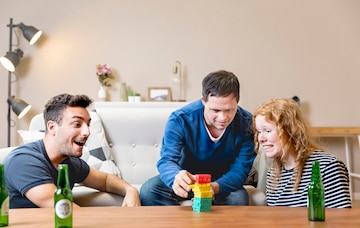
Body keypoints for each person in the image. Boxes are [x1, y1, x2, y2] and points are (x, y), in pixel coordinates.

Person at [3, 93, 141, 208]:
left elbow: (105, 180)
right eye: (77, 124)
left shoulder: (70, 163)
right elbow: (65, 210)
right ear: (52, 128)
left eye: (88, 124)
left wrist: (131, 190)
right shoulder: (24, 161)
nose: (87, 132)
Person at [140, 70, 256, 206]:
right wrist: (175, 178)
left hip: (221, 183)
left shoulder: (247, 123)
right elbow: (167, 160)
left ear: (238, 100)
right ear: (203, 101)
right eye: (216, 111)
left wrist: (215, 187)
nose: (223, 118)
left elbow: (240, 170)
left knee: (238, 199)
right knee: (149, 190)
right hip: (187, 179)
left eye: (229, 110)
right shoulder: (180, 119)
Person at [253, 98, 351, 208]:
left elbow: (342, 220)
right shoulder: (273, 175)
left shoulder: (327, 167)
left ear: (290, 130)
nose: (260, 139)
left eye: (267, 130)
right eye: (259, 131)